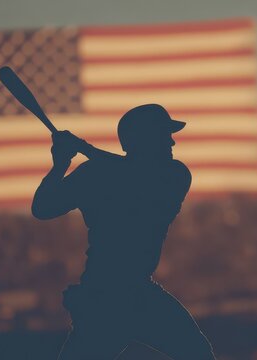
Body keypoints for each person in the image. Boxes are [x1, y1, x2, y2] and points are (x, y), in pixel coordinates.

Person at [31, 104, 216, 360]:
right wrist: (60, 164)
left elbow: (136, 174)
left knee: (198, 354)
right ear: (144, 140)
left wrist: (86, 149)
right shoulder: (98, 172)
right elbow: (42, 207)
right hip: (105, 297)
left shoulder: (174, 175)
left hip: (133, 294)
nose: (172, 141)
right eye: (164, 134)